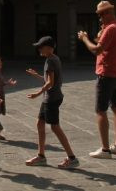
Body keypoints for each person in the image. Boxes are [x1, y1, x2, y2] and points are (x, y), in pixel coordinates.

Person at [77, 0, 116, 159]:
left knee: (101, 110)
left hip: (106, 73)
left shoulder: (111, 29)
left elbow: (96, 50)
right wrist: (100, 34)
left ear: (108, 13)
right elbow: (109, 47)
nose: (100, 19)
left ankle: (105, 149)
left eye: (101, 15)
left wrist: (84, 38)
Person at [24, 36, 79, 169]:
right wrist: (36, 75)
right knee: (40, 123)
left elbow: (50, 82)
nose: (39, 49)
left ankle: (72, 158)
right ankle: (41, 156)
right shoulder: (55, 58)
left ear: (49, 48)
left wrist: (37, 94)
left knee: (55, 127)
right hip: (51, 97)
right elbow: (48, 79)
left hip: (51, 98)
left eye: (41, 47)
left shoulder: (50, 61)